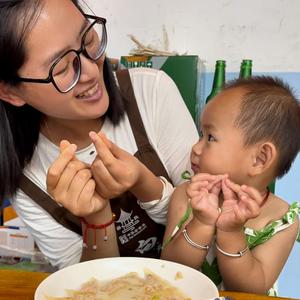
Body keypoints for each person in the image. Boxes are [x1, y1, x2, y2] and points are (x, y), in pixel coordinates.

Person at [0, 0, 198, 269]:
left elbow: (203, 217)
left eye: (89, 39)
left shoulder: (152, 92)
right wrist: (96, 218)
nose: (92, 72)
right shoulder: (27, 179)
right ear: (10, 92)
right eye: (61, 69)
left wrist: (144, 182)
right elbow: (86, 285)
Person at [161, 76, 300, 295]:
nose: (196, 148)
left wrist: (231, 232)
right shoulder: (186, 196)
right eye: (201, 134)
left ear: (259, 159)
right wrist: (201, 223)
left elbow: (250, 291)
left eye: (210, 137)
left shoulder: (280, 220)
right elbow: (170, 271)